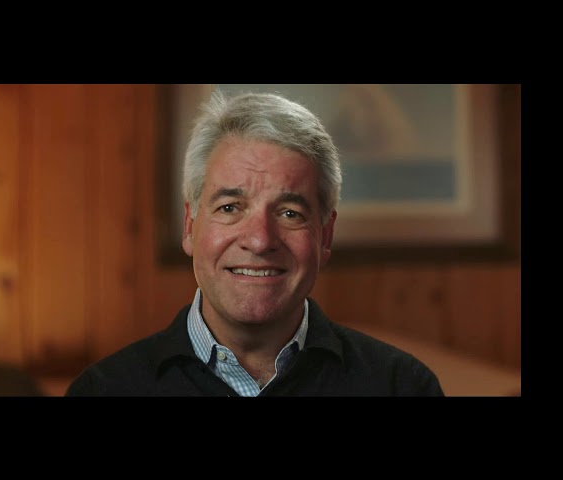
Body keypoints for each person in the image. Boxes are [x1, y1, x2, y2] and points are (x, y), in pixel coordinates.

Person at [65, 89, 444, 397]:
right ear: (190, 226)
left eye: (290, 213)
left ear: (325, 236)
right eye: (230, 207)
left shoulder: (401, 387)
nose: (260, 240)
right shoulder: (104, 390)